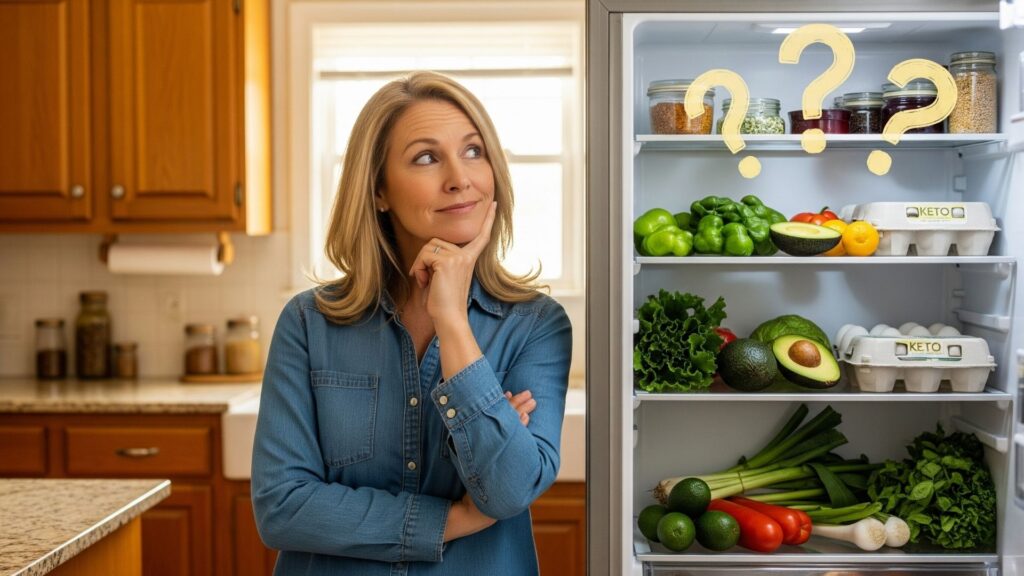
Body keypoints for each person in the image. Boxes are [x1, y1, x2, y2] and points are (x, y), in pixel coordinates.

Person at [251, 71, 573, 575]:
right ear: (379, 190)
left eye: (473, 151)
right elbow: (282, 509)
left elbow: (511, 490)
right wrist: (453, 518)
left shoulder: (537, 325)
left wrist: (452, 321)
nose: (459, 178)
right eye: (426, 157)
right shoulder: (308, 323)